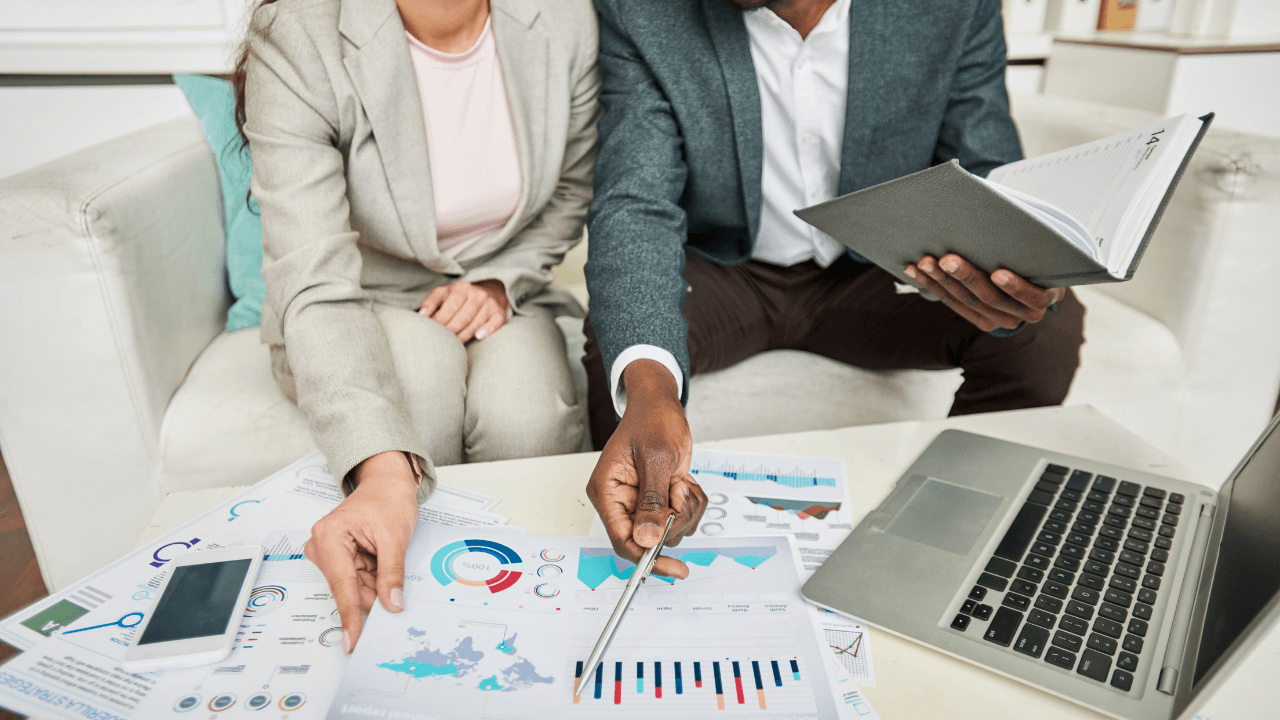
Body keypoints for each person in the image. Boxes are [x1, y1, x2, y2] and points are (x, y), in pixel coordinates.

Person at [582, 0, 1086, 578]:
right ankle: (640, 546)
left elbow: (987, 173)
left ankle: (951, 533)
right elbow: (635, 204)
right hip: (729, 272)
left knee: (1041, 327)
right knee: (625, 346)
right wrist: (651, 393)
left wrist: (1018, 264)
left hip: (878, 270)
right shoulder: (645, 12)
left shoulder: (950, 7)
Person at [236, 0, 599, 652]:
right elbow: (313, 273)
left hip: (499, 278)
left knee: (531, 418)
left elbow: (571, 189)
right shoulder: (296, 31)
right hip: (358, 290)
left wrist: (501, 280)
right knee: (420, 395)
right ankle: (406, 645)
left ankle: (527, 639)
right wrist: (379, 476)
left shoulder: (566, 15)